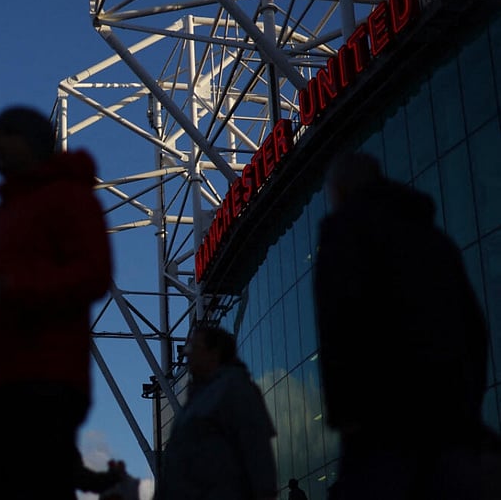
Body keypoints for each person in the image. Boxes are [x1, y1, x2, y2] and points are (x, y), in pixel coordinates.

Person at [0, 105, 113, 500]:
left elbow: (93, 275)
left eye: (6, 141)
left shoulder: (67, 198)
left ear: (34, 141)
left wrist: (1, 289)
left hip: (41, 379)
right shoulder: (13, 211)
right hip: (1, 381)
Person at [313, 152, 491, 500]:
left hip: (383, 421)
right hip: (448, 416)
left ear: (340, 190)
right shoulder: (435, 239)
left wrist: (346, 414)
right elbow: (474, 328)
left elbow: (341, 328)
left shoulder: (346, 232)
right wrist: (467, 402)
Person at [154, 324, 277, 500]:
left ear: (214, 353)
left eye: (194, 347)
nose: (187, 353)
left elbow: (256, 450)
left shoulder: (235, 389)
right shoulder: (195, 400)